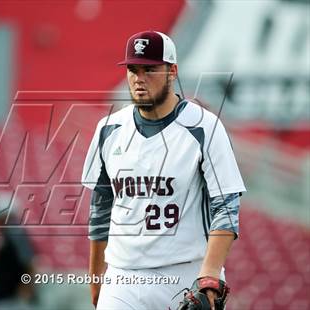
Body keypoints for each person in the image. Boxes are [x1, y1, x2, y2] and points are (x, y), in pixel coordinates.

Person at [81, 30, 246, 310]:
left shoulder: (204, 127)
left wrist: (209, 275)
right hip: (123, 276)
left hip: (185, 273)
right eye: (133, 69)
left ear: (172, 72)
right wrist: (96, 277)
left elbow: (226, 208)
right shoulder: (109, 129)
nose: (139, 78)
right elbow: (100, 210)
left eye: (150, 69)